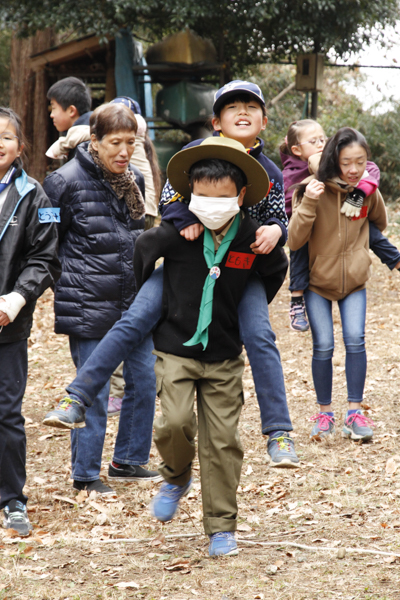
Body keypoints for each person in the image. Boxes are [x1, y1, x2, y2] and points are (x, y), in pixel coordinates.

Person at [41, 80, 299, 469]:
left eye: (251, 107)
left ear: (265, 120)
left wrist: (277, 230)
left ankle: (279, 432)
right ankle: (76, 396)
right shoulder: (191, 155)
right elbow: (169, 201)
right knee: (133, 322)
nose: (242, 112)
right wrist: (183, 221)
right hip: (182, 264)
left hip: (239, 272)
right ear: (216, 120)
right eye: (233, 107)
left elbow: (279, 218)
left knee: (261, 335)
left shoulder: (269, 173)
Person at [136, 137, 288, 556]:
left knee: (223, 442)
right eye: (203, 196)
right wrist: (157, 303)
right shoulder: (180, 228)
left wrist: (247, 306)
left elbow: (276, 268)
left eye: (222, 196)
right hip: (176, 350)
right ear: (190, 195)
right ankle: (176, 473)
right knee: (173, 423)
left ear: (240, 195)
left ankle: (222, 526)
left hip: (223, 357)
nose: (212, 203)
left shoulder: (250, 235)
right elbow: (143, 250)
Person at [42, 103, 161, 494]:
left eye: (131, 142)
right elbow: (46, 244)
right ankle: (86, 473)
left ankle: (128, 459)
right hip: (87, 299)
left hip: (133, 300)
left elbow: (137, 235)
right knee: (95, 389)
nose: (124, 151)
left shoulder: (135, 179)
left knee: (144, 381)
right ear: (94, 140)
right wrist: (67, 286)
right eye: (115, 143)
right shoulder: (63, 181)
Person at [288, 127, 387, 442]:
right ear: (335, 159)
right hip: (318, 282)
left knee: (356, 340)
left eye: (360, 161)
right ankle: (325, 413)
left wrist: (362, 202)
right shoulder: (309, 188)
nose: (354, 169)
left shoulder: (365, 189)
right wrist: (309, 204)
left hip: (355, 281)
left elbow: (378, 224)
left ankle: (354, 413)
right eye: (347, 162)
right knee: (324, 346)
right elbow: (295, 239)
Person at [0, 107, 61, 535]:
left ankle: (12, 499)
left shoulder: (35, 195)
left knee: (6, 413)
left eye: (5, 136)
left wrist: (14, 301)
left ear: (21, 146)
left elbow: (45, 258)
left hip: (8, 324)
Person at [281, 119, 400, 333]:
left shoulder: (340, 161)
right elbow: (319, 166)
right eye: (313, 141)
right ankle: (296, 297)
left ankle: (394, 258)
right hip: (305, 220)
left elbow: (370, 169)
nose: (320, 144)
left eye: (322, 139)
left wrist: (361, 191)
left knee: (366, 227)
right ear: (296, 149)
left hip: (341, 215)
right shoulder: (297, 167)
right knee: (299, 249)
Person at [107, 97, 162, 416]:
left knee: (129, 309)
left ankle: (122, 387)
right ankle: (133, 384)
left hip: (141, 223)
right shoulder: (144, 146)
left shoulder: (134, 140)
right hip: (147, 223)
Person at [46, 77, 93, 161]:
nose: (51, 115)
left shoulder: (86, 145)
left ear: (71, 111)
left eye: (54, 108)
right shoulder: (76, 139)